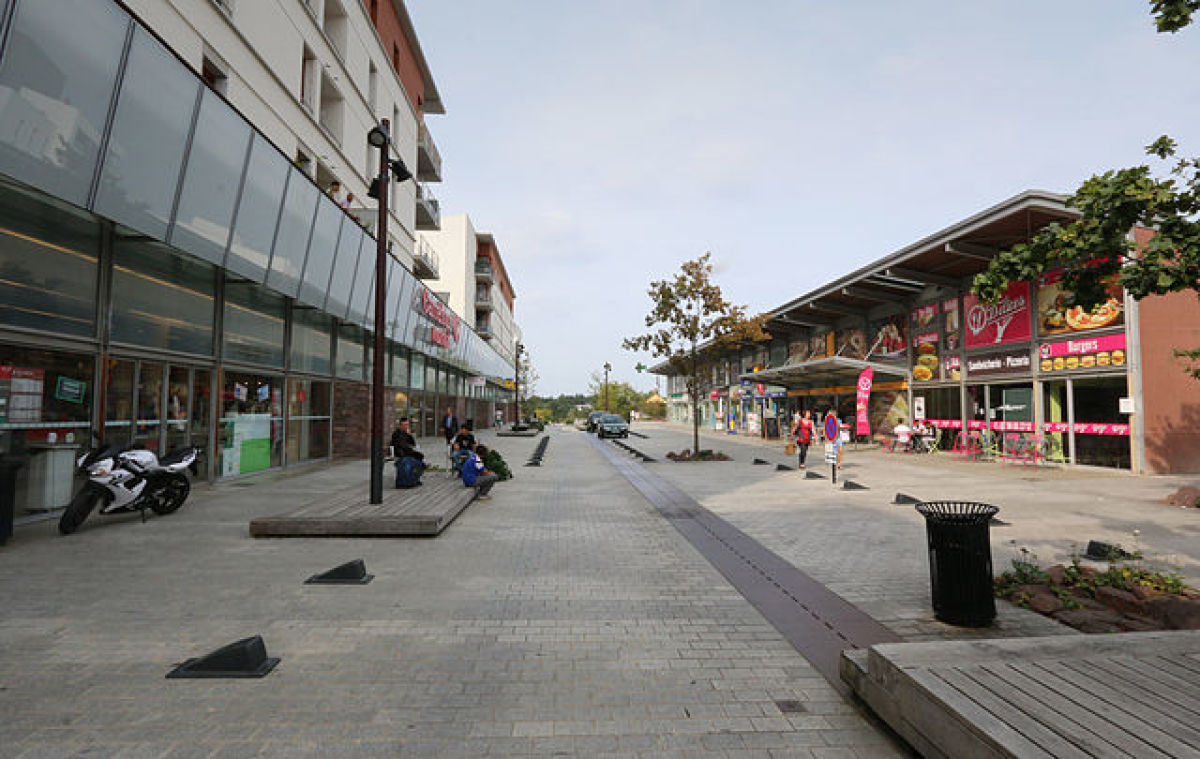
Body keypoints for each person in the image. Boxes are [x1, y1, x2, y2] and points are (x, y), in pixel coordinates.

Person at [389, 417, 425, 488]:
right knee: (415, 462)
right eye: (404, 425)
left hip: (407, 453)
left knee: (420, 460)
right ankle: (409, 480)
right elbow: (402, 445)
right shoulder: (397, 434)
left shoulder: (406, 434)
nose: (406, 426)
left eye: (407, 425)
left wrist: (409, 435)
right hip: (401, 454)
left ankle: (413, 479)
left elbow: (413, 444)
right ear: (400, 425)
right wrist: (410, 448)